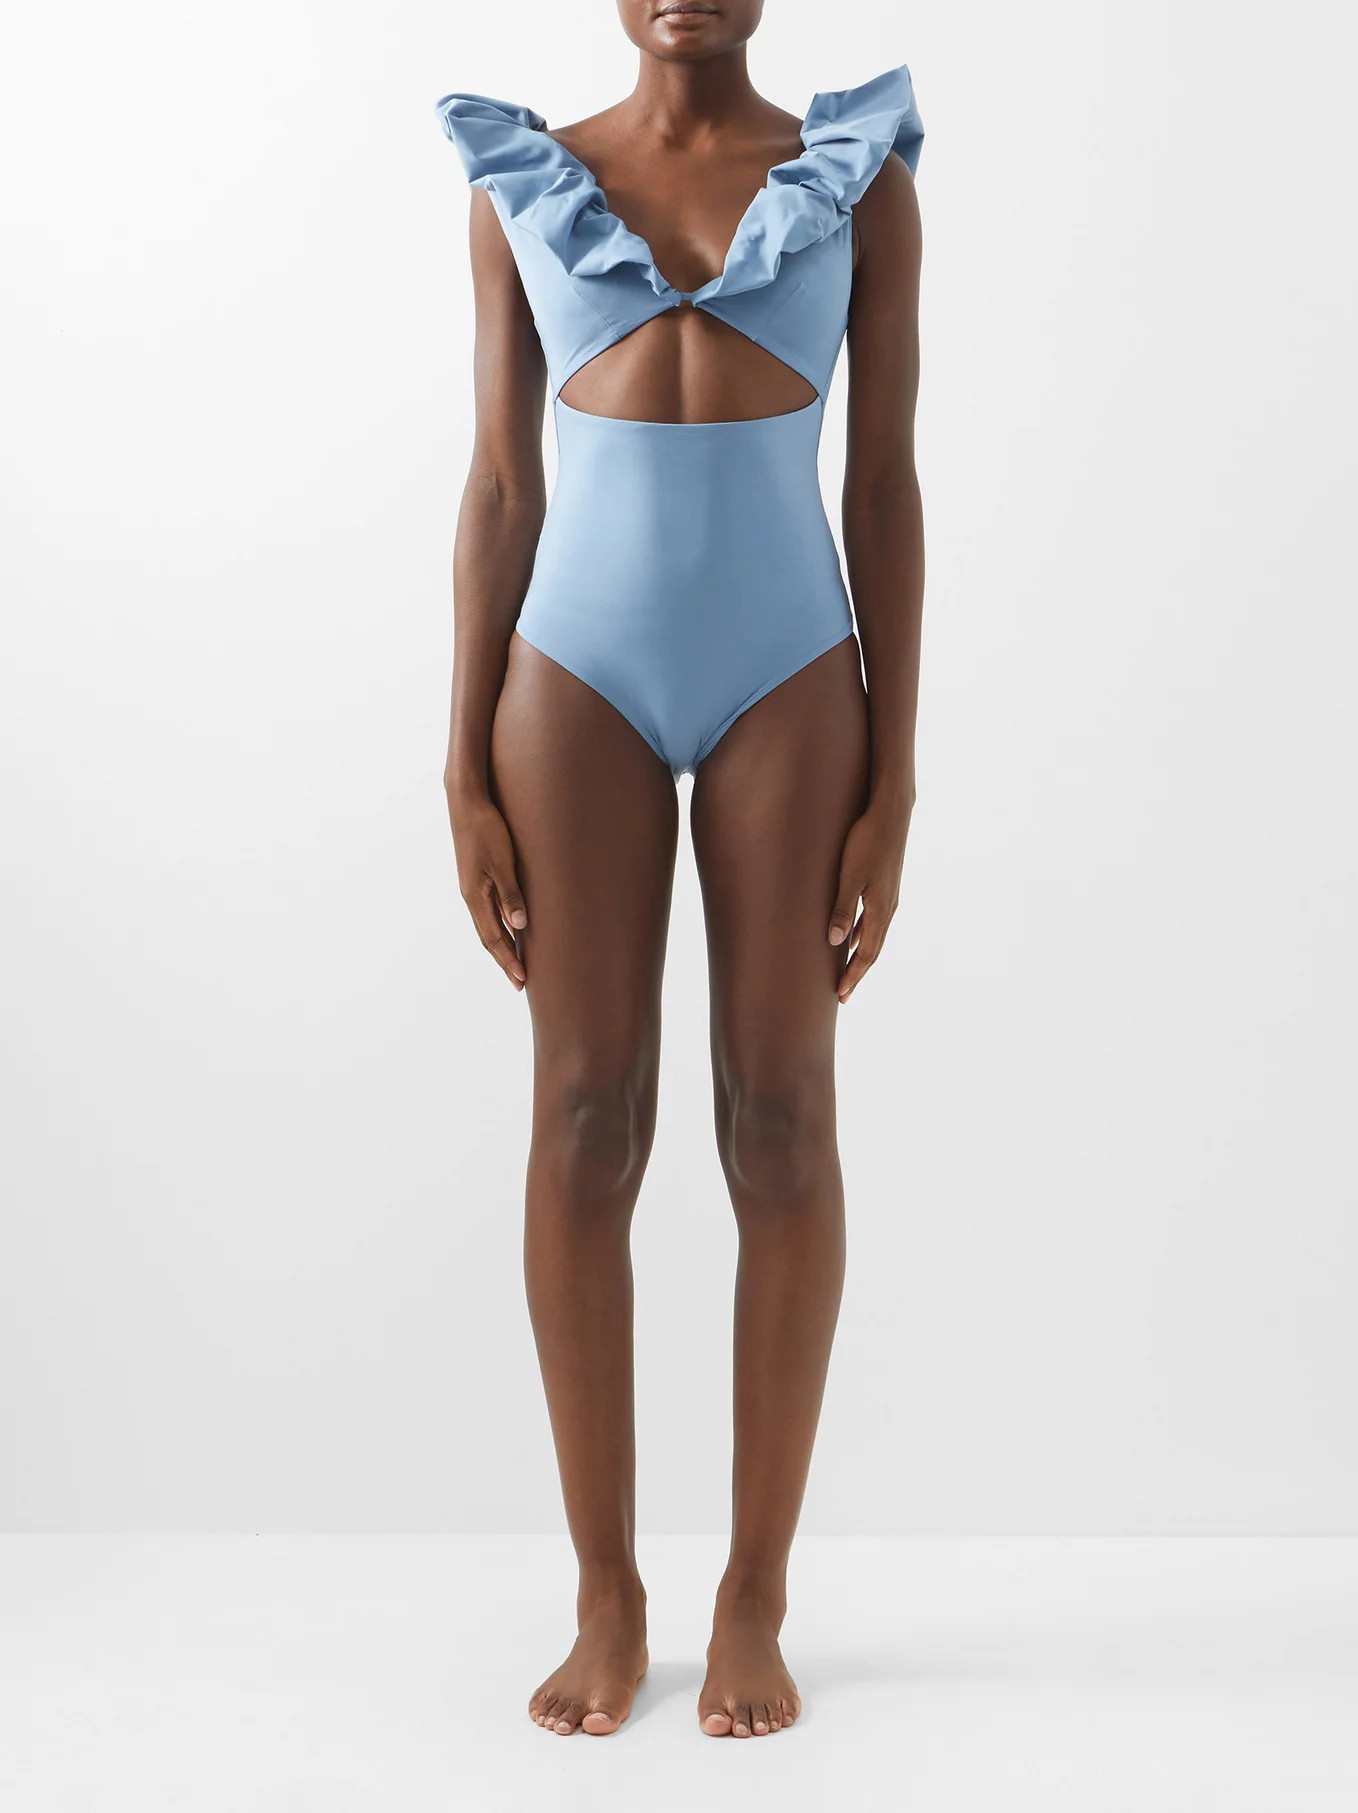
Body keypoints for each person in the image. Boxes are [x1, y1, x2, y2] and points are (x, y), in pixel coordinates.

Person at [435, 0, 924, 1740]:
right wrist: (459, 760)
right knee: (584, 1114)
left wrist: (897, 771)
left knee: (780, 1115)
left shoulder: (856, 178)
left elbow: (884, 482)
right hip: (572, 672)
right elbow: (504, 482)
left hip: (792, 666)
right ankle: (606, 1587)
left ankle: (753, 1589)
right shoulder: (526, 180)